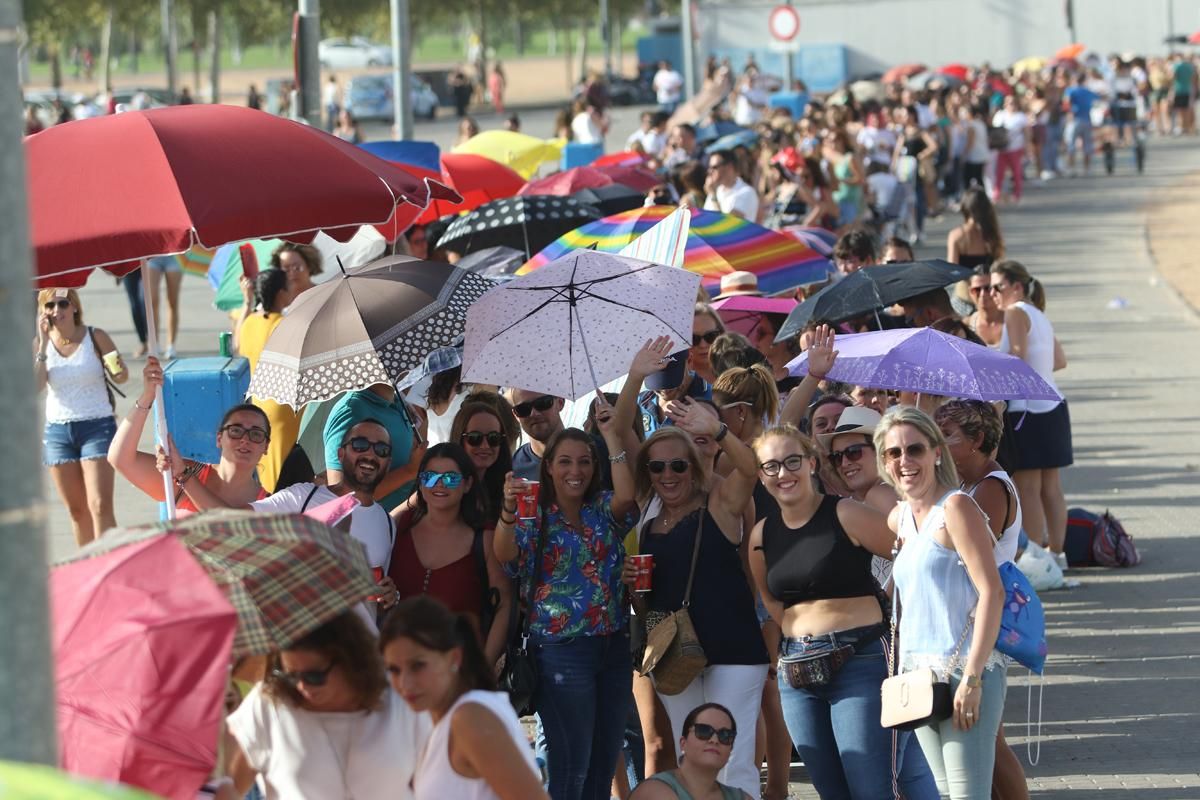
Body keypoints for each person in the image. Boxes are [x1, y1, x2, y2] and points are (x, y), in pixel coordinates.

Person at [748, 423, 936, 799]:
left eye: (792, 461)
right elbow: (770, 599)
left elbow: (912, 556)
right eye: (771, 466)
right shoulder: (761, 535)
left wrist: (886, 597)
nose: (783, 473)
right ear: (761, 475)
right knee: (831, 791)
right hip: (798, 672)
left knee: (872, 789)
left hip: (860, 661)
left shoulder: (846, 512)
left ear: (812, 464)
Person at [493, 403, 638, 800]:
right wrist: (508, 509)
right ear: (549, 468)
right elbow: (505, 555)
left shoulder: (601, 509)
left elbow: (628, 496)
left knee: (604, 761)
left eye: (585, 462)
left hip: (612, 647)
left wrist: (610, 438)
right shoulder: (535, 515)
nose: (576, 470)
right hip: (560, 651)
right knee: (570, 767)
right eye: (565, 462)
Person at [627, 405, 767, 798]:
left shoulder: (719, 503)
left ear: (693, 466)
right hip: (675, 653)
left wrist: (718, 431)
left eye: (677, 465)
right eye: (656, 468)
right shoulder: (649, 518)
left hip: (733, 648)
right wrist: (634, 592)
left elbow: (749, 469)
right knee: (691, 756)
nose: (667, 476)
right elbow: (648, 605)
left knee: (732, 755)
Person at [876, 406, 1006, 800]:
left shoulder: (956, 508)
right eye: (894, 453)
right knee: (945, 794)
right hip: (918, 678)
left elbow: (992, 592)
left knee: (969, 795)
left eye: (915, 449)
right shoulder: (899, 519)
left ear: (936, 452)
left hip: (962, 669)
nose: (905, 461)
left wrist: (973, 677)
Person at [933, 400, 1030, 800]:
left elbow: (966, 554)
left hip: (977, 624)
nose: (937, 444)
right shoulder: (968, 484)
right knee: (985, 738)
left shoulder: (990, 486)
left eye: (947, 436)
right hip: (966, 620)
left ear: (976, 440)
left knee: (988, 738)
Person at [225, 611, 429, 800]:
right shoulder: (269, 703)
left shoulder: (401, 701)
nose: (302, 686)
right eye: (291, 675)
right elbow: (231, 787)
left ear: (351, 661)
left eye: (314, 676)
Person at [380, 596, 547, 800]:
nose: (405, 683)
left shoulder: (470, 717)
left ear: (454, 658)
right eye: (394, 670)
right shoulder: (443, 717)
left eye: (418, 666)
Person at [388, 444, 511, 665]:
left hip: (456, 676)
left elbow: (505, 604)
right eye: (430, 477)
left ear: (468, 484)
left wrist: (485, 667)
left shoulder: (485, 539)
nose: (440, 484)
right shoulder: (398, 525)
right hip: (395, 669)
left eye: (451, 478)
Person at [108, 356, 268, 514]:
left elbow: (229, 525)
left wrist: (184, 476)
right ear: (219, 438)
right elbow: (120, 458)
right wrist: (147, 396)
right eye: (236, 431)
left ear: (266, 446)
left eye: (256, 434)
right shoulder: (194, 472)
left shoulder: (269, 504)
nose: (245, 439)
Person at [989, 261, 1071, 569]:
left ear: (1017, 287)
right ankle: (1057, 557)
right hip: (1053, 406)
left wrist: (989, 360)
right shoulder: (1038, 314)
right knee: (1051, 487)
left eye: (998, 286)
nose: (993, 293)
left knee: (1028, 489)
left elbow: (1017, 358)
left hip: (1028, 411)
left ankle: (1038, 561)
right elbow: (1059, 361)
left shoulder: (1014, 312)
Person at [36, 288, 126, 546]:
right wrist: (42, 344)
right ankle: (88, 570)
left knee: (99, 505)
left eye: (62, 304)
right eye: (49, 306)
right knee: (77, 512)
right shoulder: (40, 344)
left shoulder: (96, 336)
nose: (56, 311)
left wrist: (114, 365)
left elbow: (121, 375)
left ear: (74, 306)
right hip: (58, 433)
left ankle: (110, 565)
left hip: (97, 426)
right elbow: (35, 386)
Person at [233, 268, 300, 493]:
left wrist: (246, 302)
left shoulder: (251, 321)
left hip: (258, 403)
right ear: (281, 293)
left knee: (267, 471)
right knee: (284, 474)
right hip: (283, 403)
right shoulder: (284, 323)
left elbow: (236, 346)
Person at [323, 384, 421, 513]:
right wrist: (409, 471)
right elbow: (342, 498)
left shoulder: (398, 402)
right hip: (372, 528)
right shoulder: (349, 411)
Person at [628, 703, 753, 800]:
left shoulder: (742, 797)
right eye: (703, 731)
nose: (714, 740)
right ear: (683, 743)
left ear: (731, 749)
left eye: (725, 735)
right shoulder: (656, 792)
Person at [449, 399, 514, 525]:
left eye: (493, 438)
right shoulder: (444, 483)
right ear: (460, 439)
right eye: (475, 438)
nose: (485, 446)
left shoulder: (504, 488)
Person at [947, 187, 1004, 269]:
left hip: (965, 280)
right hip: (988, 280)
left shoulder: (956, 235)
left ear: (964, 208)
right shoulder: (993, 232)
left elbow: (951, 269)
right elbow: (999, 265)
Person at [144, 255, 183, 360]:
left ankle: (171, 345)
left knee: (172, 302)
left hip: (174, 256)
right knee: (152, 301)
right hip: (152, 255)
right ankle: (154, 343)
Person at [991, 94, 1028, 204]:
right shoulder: (1000, 115)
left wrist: (1026, 146)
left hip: (1015, 148)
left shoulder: (1021, 116)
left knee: (1016, 172)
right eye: (1008, 102)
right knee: (999, 173)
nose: (1010, 105)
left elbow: (1026, 133)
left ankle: (1017, 194)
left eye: (1013, 102)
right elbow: (994, 131)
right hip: (1001, 148)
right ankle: (997, 193)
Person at [703, 150, 758, 221]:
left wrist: (713, 196)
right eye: (709, 167)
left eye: (714, 167)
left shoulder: (747, 192)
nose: (710, 171)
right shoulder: (716, 190)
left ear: (729, 167)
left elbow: (726, 224)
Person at [1064, 74, 1098, 176]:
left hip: (1075, 120)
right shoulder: (1087, 91)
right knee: (1087, 145)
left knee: (1071, 145)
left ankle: (1071, 168)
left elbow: (1066, 103)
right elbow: (1098, 98)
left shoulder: (1070, 90)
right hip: (1087, 120)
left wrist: (1069, 113)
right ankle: (1087, 169)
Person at [963, 267, 1004, 346]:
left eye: (988, 288)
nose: (982, 294)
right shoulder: (966, 325)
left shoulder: (1012, 320)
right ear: (970, 292)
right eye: (976, 290)